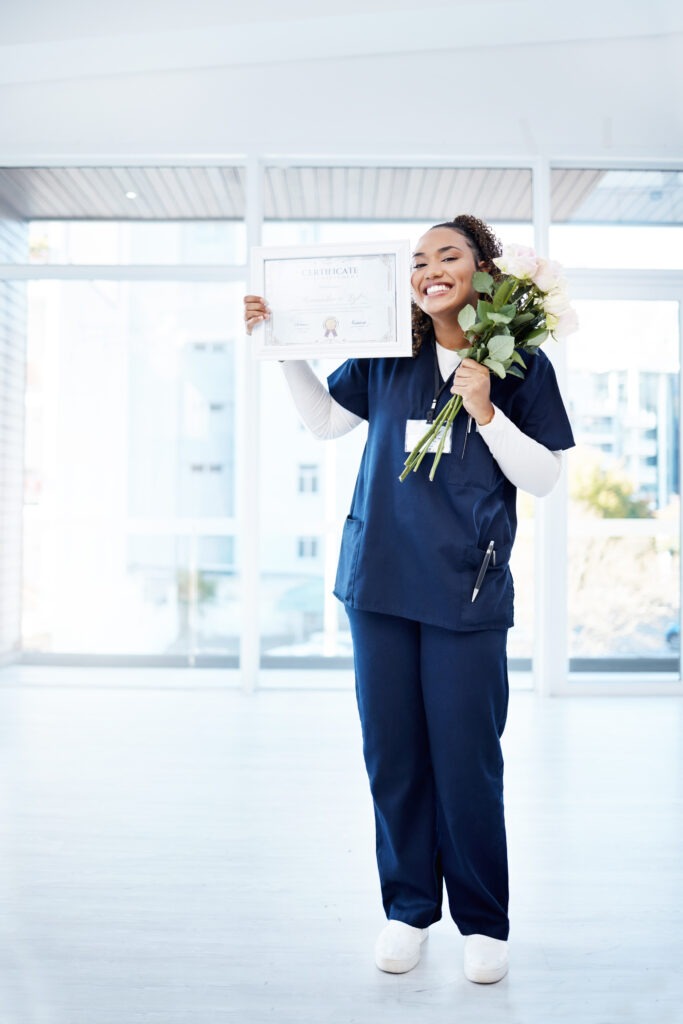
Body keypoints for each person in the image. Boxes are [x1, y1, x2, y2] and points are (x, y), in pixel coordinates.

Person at [244, 214, 574, 985]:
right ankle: (406, 910)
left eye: (447, 255)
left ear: (482, 269)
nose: (429, 268)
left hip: (465, 588)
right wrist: (282, 349)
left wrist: (485, 407)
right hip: (380, 582)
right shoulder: (391, 350)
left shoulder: (521, 361)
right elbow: (325, 422)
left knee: (465, 763)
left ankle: (483, 921)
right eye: (418, 260)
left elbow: (545, 476)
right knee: (393, 758)